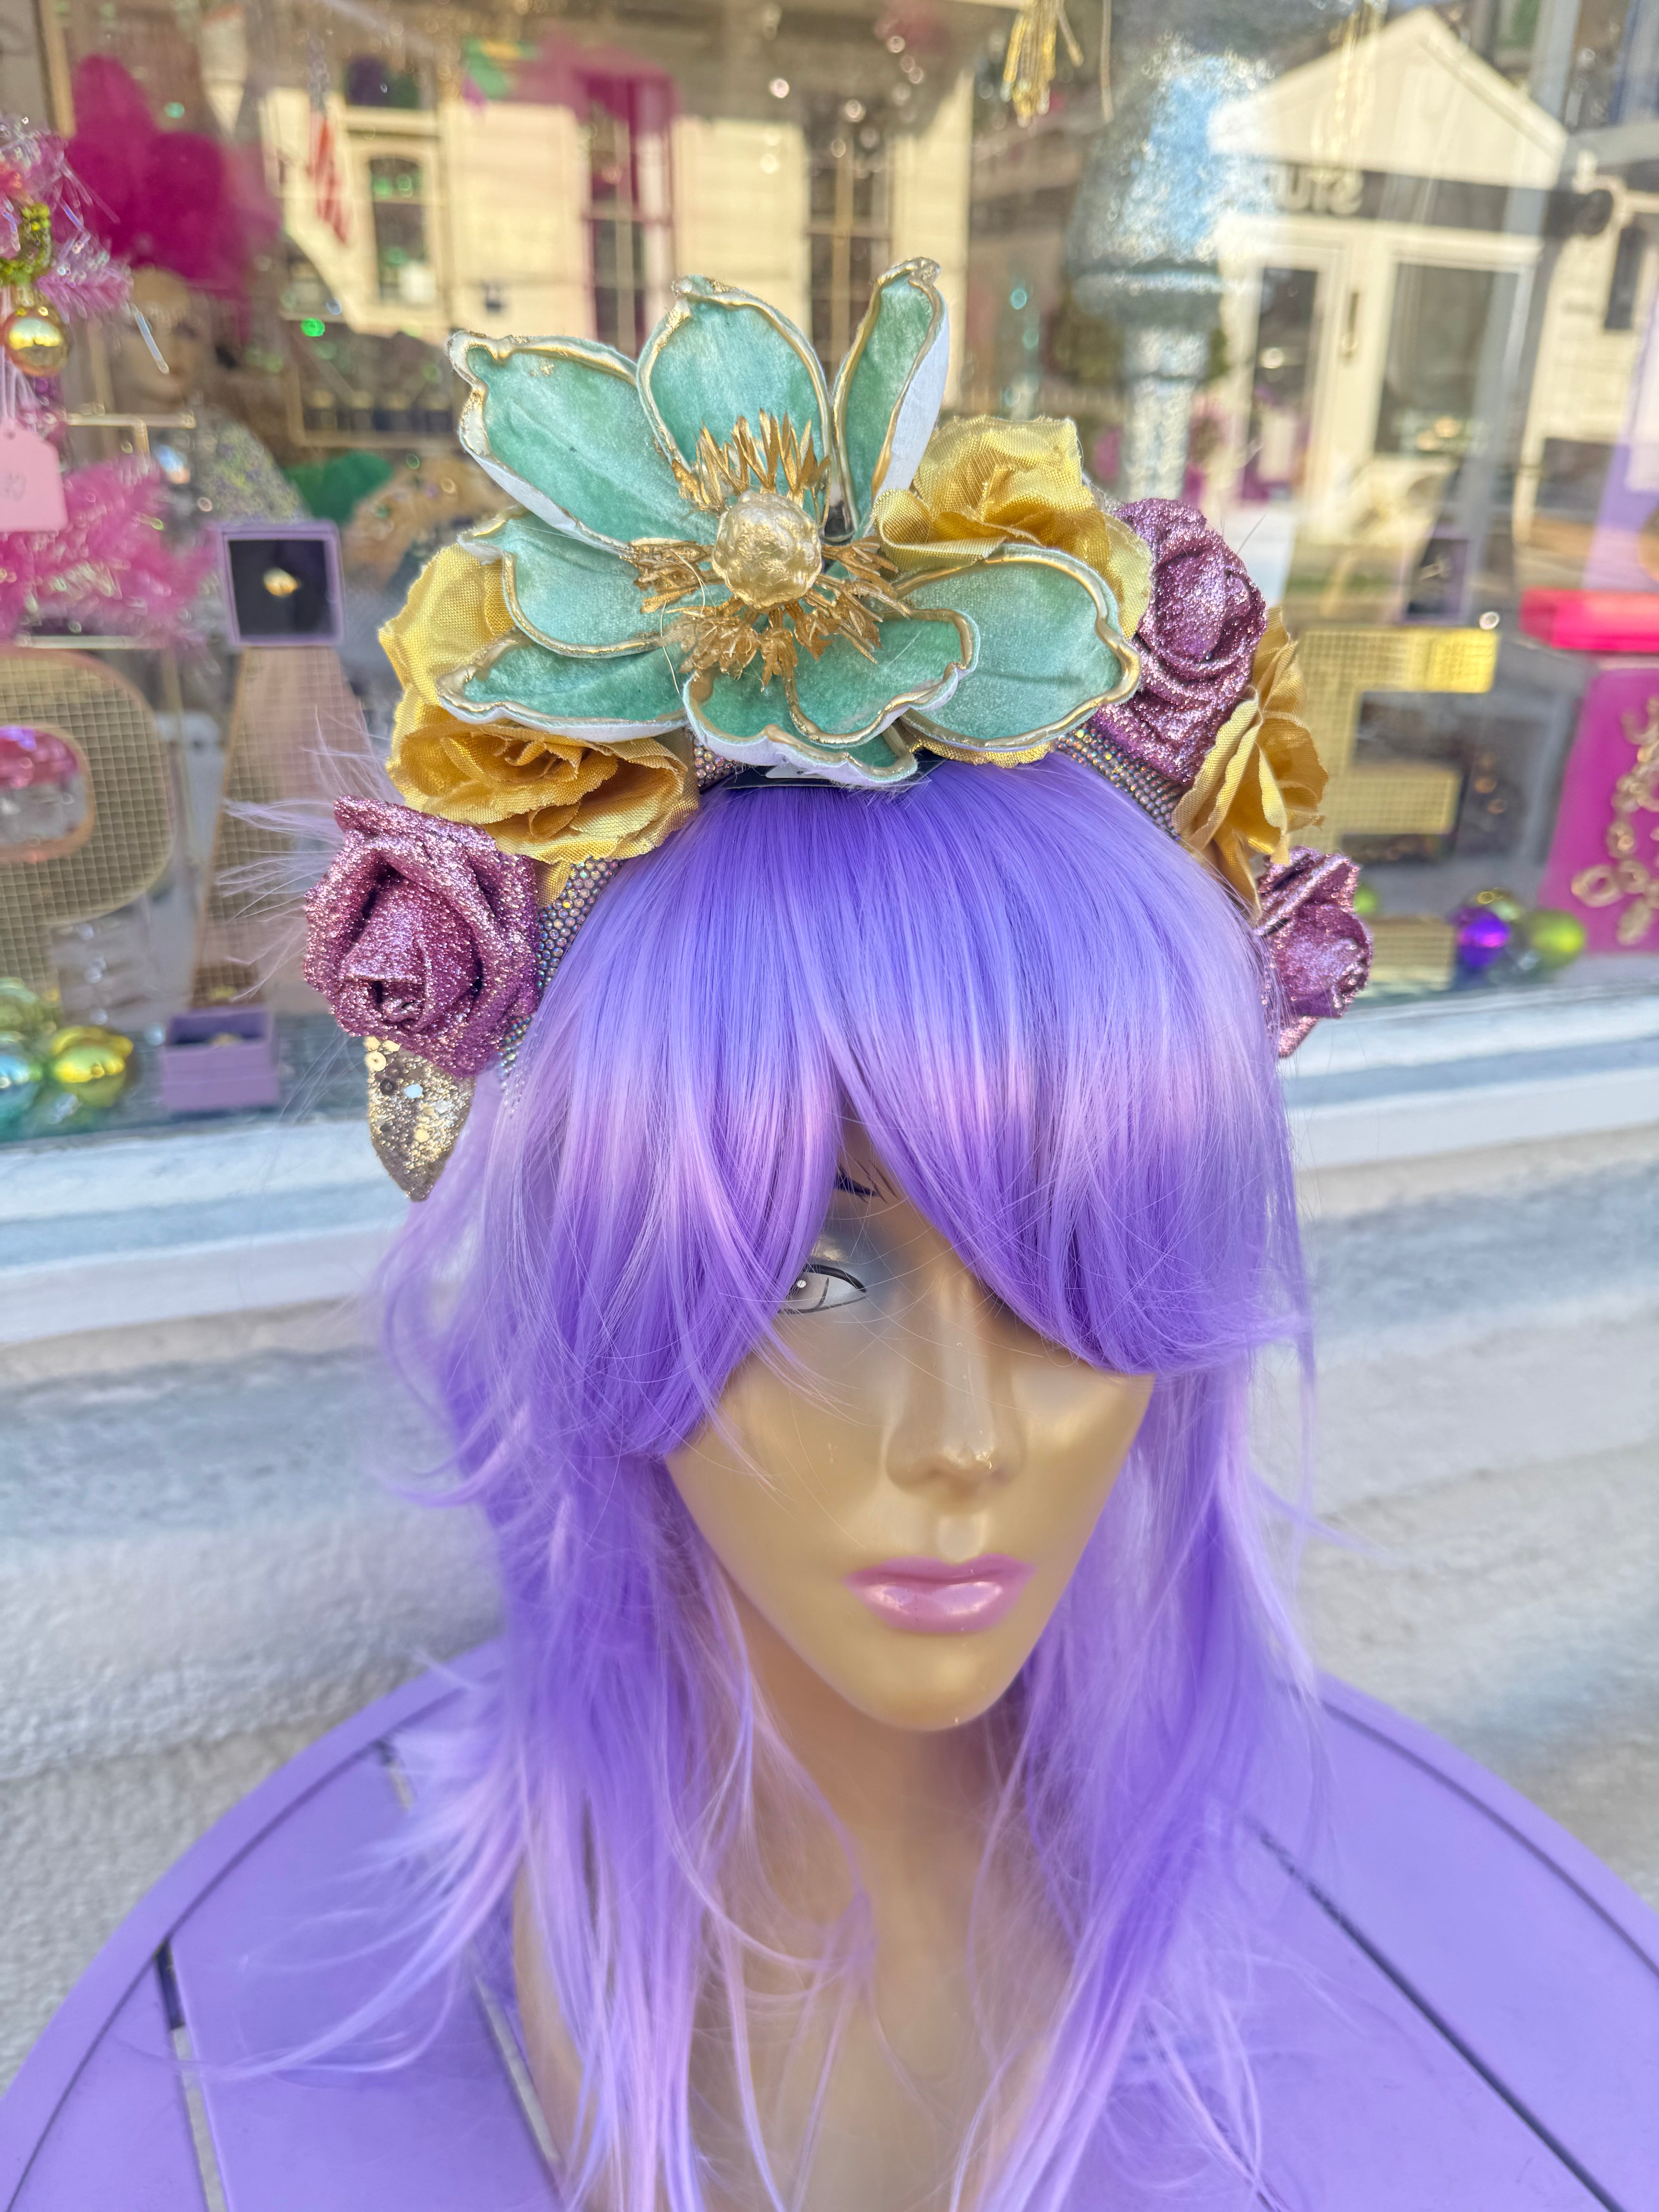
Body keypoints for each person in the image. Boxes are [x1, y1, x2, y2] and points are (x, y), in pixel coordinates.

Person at [301, 260, 1370, 2209]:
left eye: (1069, 1268)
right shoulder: (611, 1932)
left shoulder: (1110, 1856)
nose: (961, 1440)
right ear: (599, 1280)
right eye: (809, 1270)